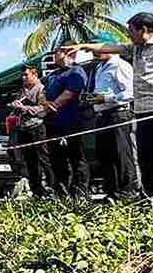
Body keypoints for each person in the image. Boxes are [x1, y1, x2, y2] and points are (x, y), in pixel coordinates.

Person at [66, 12, 153, 202]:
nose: (128, 36)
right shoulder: (136, 48)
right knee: (145, 157)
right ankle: (150, 195)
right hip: (142, 111)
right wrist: (83, 46)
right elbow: (110, 47)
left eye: (131, 31)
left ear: (143, 30)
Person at [90, 48, 140, 199]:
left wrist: (105, 99)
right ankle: (112, 191)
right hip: (102, 115)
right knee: (105, 154)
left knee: (121, 153)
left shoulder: (120, 65)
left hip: (119, 113)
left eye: (97, 49)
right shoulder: (99, 67)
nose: (94, 53)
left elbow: (130, 92)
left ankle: (127, 191)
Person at [42, 48, 91, 198]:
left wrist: (54, 105)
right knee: (57, 159)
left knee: (77, 158)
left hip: (72, 121)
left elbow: (70, 92)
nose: (55, 56)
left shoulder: (76, 71)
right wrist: (44, 103)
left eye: (57, 52)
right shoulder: (52, 75)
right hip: (53, 123)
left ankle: (80, 192)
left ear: (68, 53)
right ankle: (61, 192)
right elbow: (42, 94)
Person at [8, 66, 52, 198]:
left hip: (37, 127)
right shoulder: (22, 91)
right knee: (29, 161)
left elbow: (43, 108)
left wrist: (25, 107)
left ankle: (51, 187)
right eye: (22, 75)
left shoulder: (41, 88)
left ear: (35, 75)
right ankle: (36, 191)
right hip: (23, 128)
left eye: (26, 75)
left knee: (43, 159)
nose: (23, 78)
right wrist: (15, 106)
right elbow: (16, 111)